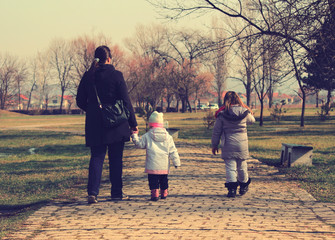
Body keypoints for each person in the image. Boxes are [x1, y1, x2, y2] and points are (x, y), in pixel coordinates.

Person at [76, 45, 138, 204]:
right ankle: (116, 193)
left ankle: (93, 193)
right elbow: (125, 101)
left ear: (96, 59)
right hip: (116, 124)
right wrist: (133, 123)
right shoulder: (116, 75)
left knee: (96, 157)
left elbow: (80, 101)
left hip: (95, 124)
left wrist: (93, 111)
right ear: (109, 59)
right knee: (116, 159)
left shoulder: (88, 76)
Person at [211, 91, 255, 198]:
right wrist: (247, 110)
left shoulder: (222, 114)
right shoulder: (244, 112)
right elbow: (252, 120)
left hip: (228, 143)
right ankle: (244, 185)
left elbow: (216, 131)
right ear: (238, 99)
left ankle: (232, 190)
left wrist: (214, 145)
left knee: (230, 167)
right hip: (242, 144)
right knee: (242, 166)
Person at [131, 111, 181, 201]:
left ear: (151, 124)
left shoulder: (147, 136)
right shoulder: (168, 137)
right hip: (163, 164)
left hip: (152, 164)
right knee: (164, 179)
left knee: (152, 180)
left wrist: (134, 136)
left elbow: (140, 144)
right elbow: (173, 150)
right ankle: (164, 192)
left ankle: (155, 193)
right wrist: (176, 162)